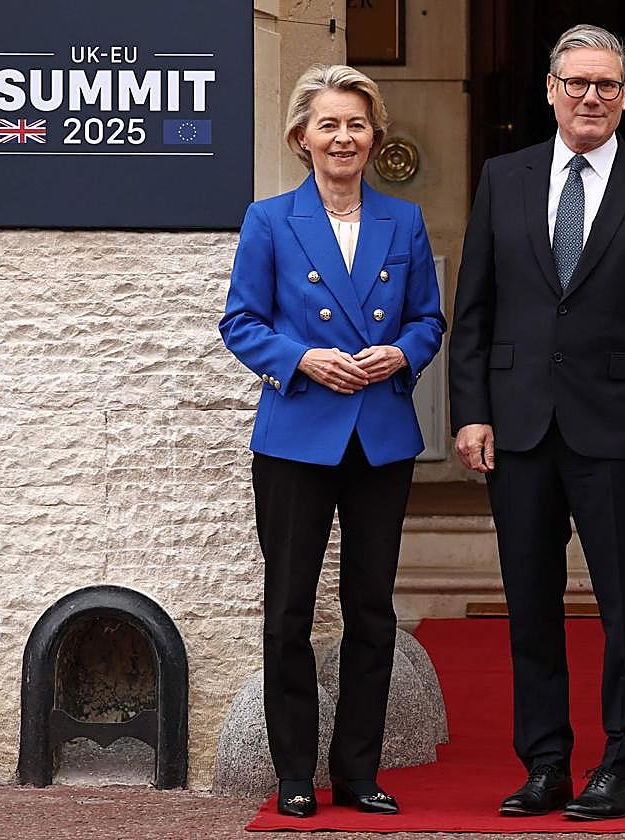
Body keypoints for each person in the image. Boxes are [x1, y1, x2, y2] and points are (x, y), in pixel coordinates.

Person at [449, 24, 625, 821]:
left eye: (609, 85)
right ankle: (546, 762)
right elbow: (476, 307)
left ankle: (623, 767)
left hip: (620, 433)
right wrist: (471, 411)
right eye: (578, 83)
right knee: (530, 602)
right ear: (551, 90)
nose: (593, 97)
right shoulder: (504, 177)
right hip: (517, 429)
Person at [219, 63, 445, 819]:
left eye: (356, 123)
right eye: (328, 124)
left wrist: (403, 353)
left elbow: (427, 320)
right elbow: (241, 322)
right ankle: (293, 773)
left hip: (380, 434)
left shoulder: (403, 221)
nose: (342, 136)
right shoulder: (269, 219)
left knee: (371, 609)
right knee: (287, 608)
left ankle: (357, 770)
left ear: (374, 136)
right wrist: (302, 358)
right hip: (298, 434)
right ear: (301, 137)